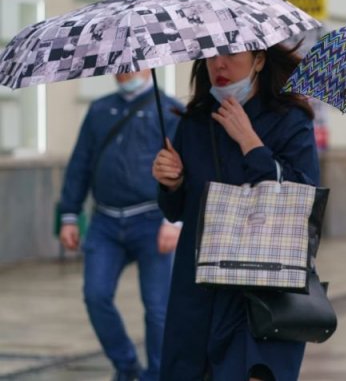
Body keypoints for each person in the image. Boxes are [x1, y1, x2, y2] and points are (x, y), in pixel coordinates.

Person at [152, 46, 320, 381]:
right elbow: (177, 211)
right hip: (198, 288)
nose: (219, 64)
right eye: (211, 55)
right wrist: (170, 182)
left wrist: (251, 144)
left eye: (231, 53)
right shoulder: (195, 121)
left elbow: (306, 200)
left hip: (262, 289)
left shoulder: (289, 118)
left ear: (259, 60)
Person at [58, 71, 183, 381]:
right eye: (118, 65)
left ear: (147, 66)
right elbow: (80, 163)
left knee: (158, 309)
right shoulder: (99, 109)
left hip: (152, 220)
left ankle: (157, 375)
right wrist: (69, 215)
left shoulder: (168, 110)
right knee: (95, 295)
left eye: (131, 64)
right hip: (105, 222)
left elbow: (185, 170)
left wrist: (174, 219)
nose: (123, 71)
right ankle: (126, 368)